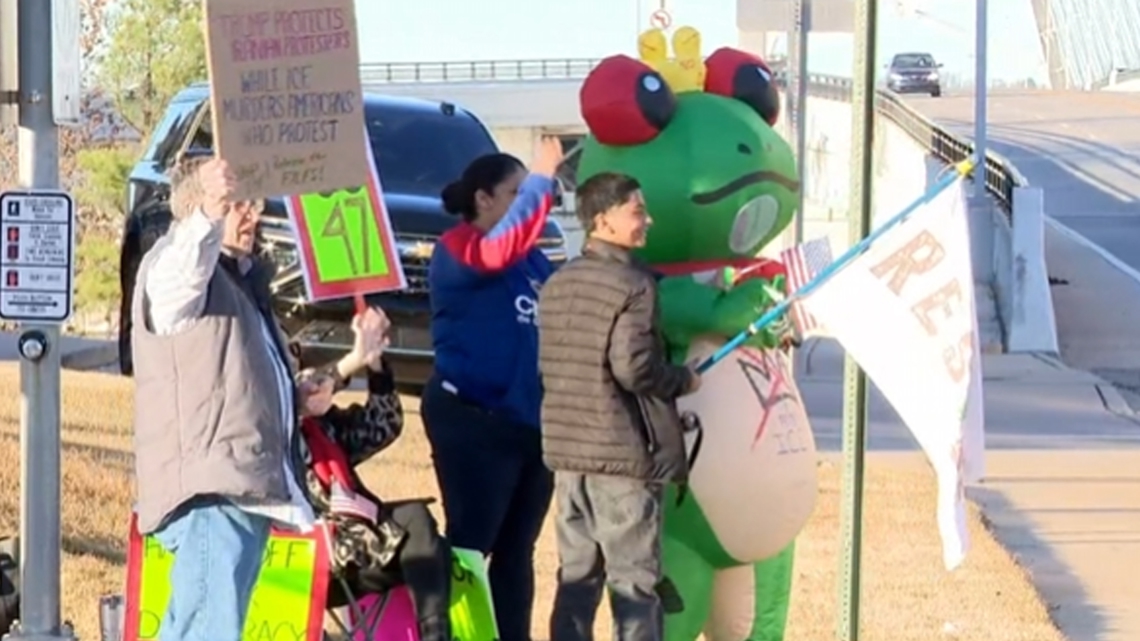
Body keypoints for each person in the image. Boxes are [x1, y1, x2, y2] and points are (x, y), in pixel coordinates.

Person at [130, 155, 316, 641]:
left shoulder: (240, 284)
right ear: (202, 207)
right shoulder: (175, 271)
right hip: (210, 497)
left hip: (234, 493)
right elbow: (186, 265)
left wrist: (297, 396)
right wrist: (210, 210)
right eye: (239, 204)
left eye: (250, 203)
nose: (252, 214)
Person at [536, 172, 702, 641]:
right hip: (620, 456)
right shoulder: (634, 286)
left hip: (567, 454)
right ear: (603, 219)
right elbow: (635, 369)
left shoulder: (556, 283)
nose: (647, 220)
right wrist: (683, 379)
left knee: (575, 581)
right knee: (634, 585)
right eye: (637, 211)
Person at [420, 136, 564, 641]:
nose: (531, 203)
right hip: (473, 420)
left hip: (528, 424)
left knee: (517, 552)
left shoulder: (532, 263)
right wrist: (544, 177)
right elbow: (500, 248)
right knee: (473, 546)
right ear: (484, 199)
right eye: (517, 192)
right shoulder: (459, 247)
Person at [293, 306, 452, 641]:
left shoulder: (324, 427)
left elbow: (382, 427)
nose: (304, 373)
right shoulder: (271, 423)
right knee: (413, 527)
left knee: (421, 527)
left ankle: (435, 633)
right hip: (309, 551)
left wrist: (375, 362)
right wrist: (353, 358)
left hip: (359, 542)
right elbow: (297, 398)